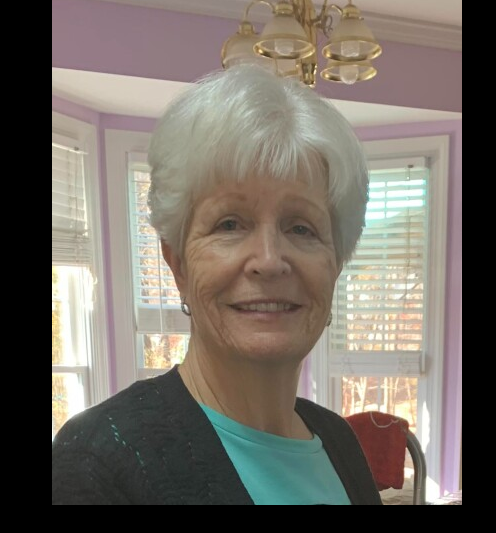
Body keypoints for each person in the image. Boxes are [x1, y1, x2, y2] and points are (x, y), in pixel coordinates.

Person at [52, 64, 379, 505]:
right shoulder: (98, 462)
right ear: (178, 264)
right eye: (230, 224)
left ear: (336, 264)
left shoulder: (339, 441)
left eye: (301, 228)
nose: (269, 260)